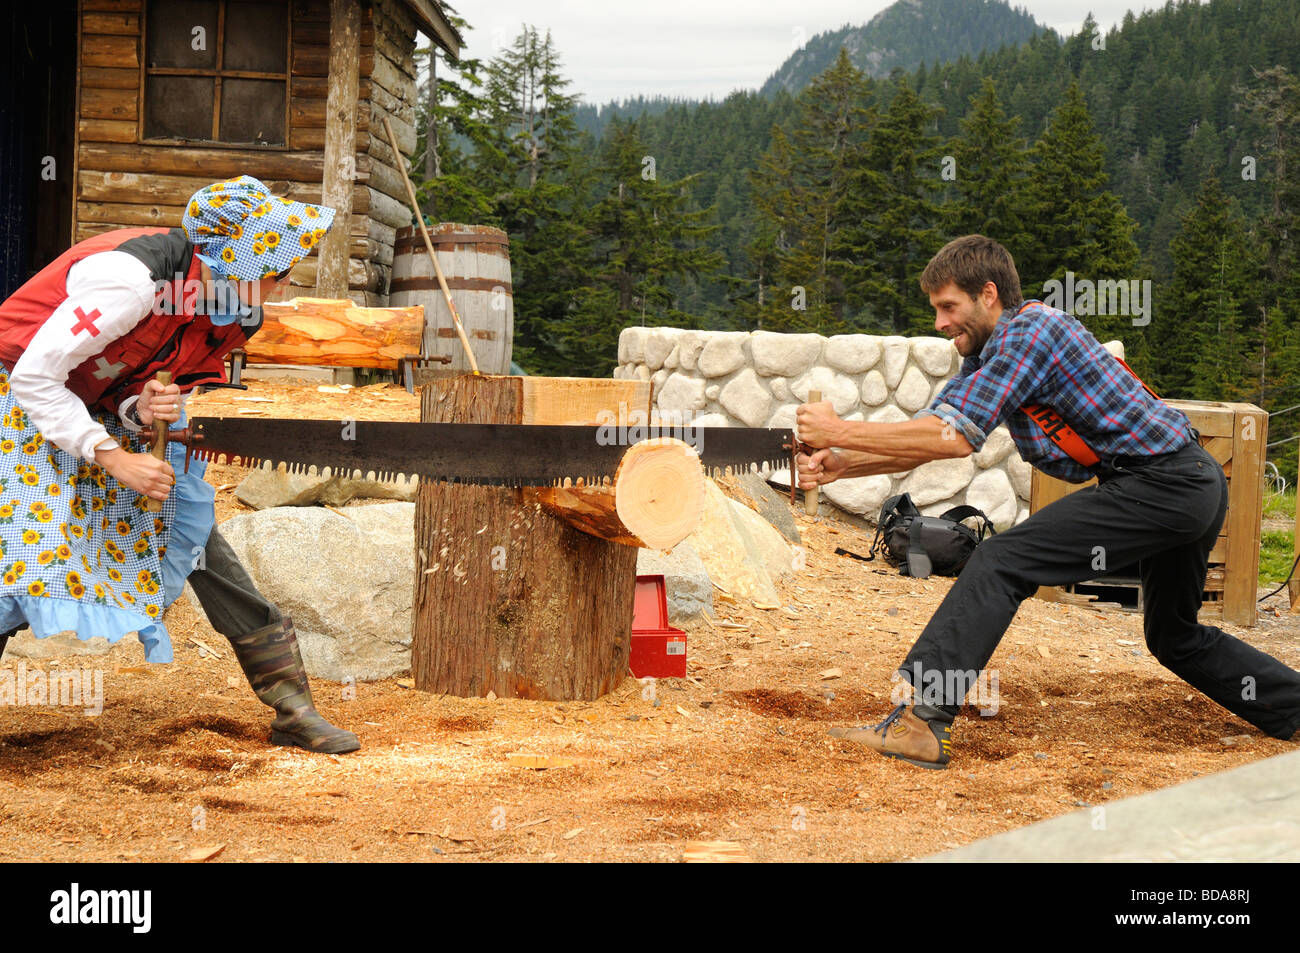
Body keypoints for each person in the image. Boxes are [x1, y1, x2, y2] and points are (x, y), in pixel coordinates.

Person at [795, 234, 1300, 769]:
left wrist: (839, 429)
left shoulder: (1032, 332)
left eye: (948, 307)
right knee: (1173, 637)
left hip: (1165, 484)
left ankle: (922, 723)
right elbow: (936, 432)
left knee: (999, 559)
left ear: (988, 293)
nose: (940, 323)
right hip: (1184, 483)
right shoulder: (990, 354)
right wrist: (847, 461)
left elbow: (955, 437)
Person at [0, 175, 359, 754]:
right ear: (240, 262)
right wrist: (113, 456)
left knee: (190, 537)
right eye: (279, 266)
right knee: (24, 557)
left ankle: (293, 709)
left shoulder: (229, 308)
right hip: (18, 405)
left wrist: (139, 409)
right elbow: (35, 376)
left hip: (85, 413)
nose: (289, 279)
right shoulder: (131, 282)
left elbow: (116, 380)